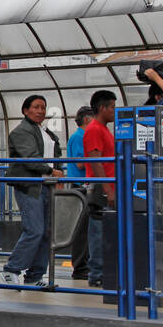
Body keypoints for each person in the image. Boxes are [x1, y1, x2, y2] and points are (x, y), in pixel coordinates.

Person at [2, 95, 63, 286]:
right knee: (34, 230)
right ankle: (11, 269)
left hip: (46, 185)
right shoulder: (21, 131)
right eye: (36, 107)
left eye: (43, 108)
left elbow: (56, 154)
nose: (40, 111)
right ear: (25, 110)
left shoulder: (45, 131)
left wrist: (57, 173)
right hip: (30, 186)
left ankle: (35, 275)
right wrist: (51, 170)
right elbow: (30, 157)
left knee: (46, 232)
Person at [83, 90, 117, 289]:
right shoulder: (95, 129)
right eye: (112, 106)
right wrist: (107, 189)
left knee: (106, 230)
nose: (114, 110)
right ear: (102, 108)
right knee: (97, 231)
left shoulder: (104, 129)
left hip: (108, 185)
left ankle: (103, 270)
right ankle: (96, 273)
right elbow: (96, 161)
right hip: (100, 187)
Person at [66, 107, 94, 279]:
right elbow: (80, 163)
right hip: (80, 187)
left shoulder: (84, 136)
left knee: (89, 228)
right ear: (86, 119)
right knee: (82, 230)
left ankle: (87, 263)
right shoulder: (79, 137)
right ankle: (80, 266)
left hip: (86, 186)